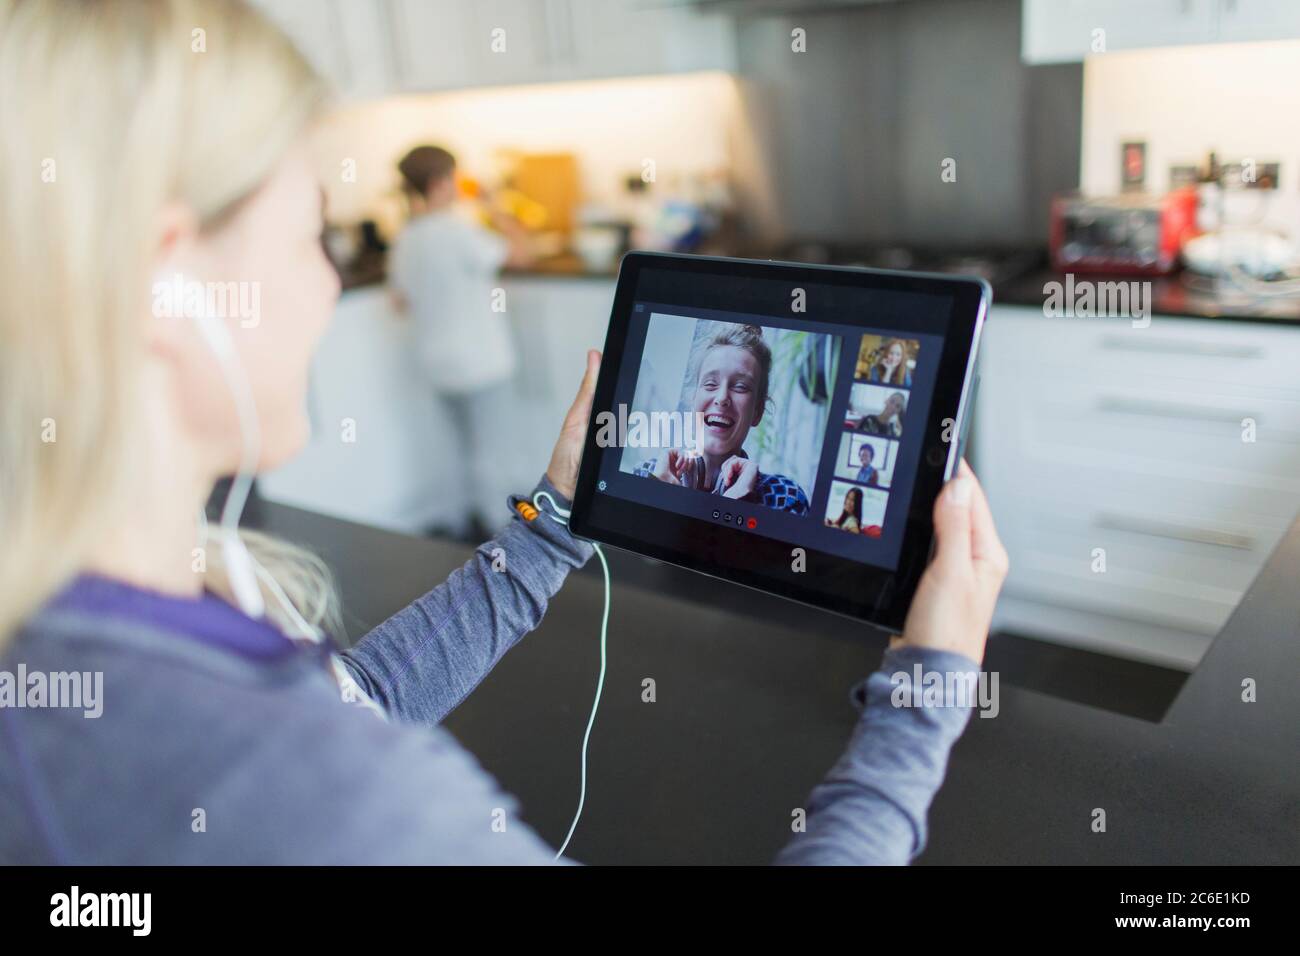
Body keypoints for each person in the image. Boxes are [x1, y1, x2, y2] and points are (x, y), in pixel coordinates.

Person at [0, 0, 1008, 865]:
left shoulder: (86, 633)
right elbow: (333, 763)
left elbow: (357, 702)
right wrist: (923, 696)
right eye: (309, 232)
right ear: (169, 281)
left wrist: (549, 522)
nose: (327, 280)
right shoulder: (325, 797)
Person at [389, 144, 534, 536]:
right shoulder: (457, 232)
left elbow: (399, 302)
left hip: (436, 363)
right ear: (441, 183)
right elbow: (521, 253)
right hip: (480, 361)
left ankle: (464, 524)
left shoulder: (406, 239)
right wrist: (494, 204)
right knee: (493, 451)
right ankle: (501, 532)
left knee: (461, 448)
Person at [635, 324, 810, 515]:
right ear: (694, 401)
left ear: (757, 411)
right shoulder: (647, 474)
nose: (722, 398)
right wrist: (661, 493)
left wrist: (737, 504)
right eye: (710, 384)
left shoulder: (787, 498)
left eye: (741, 387)